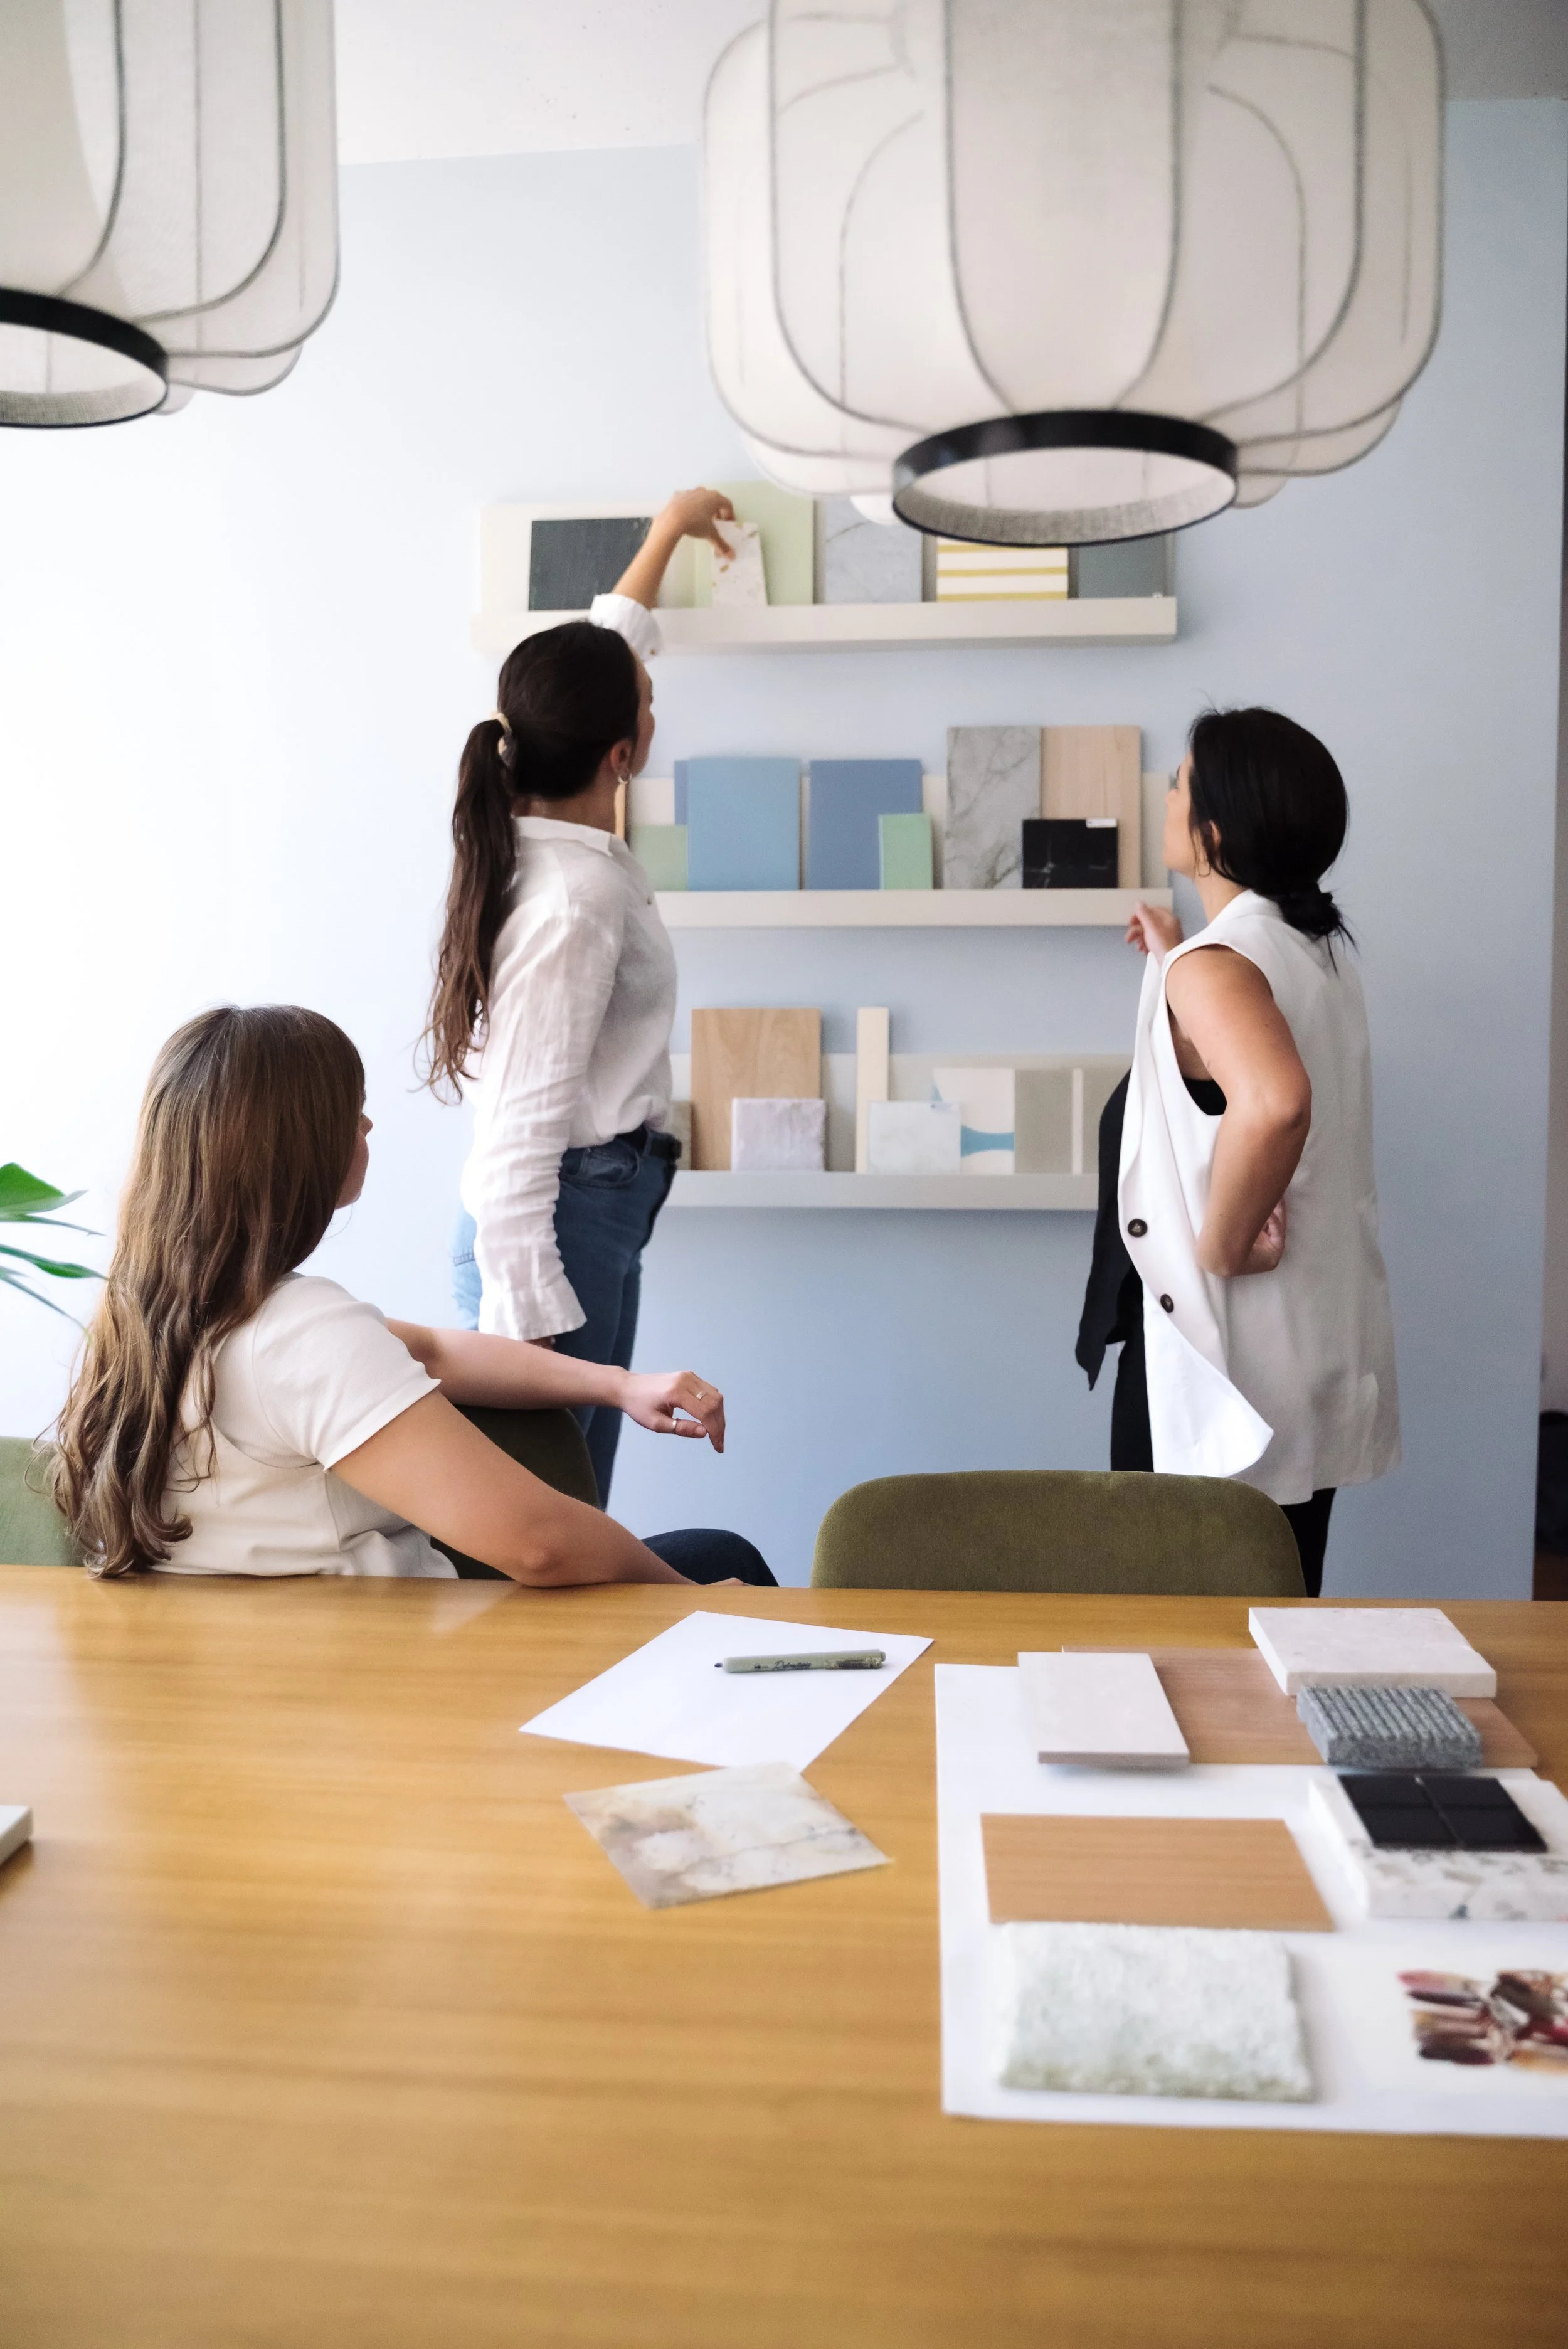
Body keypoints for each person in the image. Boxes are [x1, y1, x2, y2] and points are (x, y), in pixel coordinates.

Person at [51, 1005, 774, 1588]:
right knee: (721, 1560)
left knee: (707, 1553)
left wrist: (616, 1384)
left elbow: (425, 1348)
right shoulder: (302, 1331)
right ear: (293, 1149)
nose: (367, 1127)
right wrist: (687, 1606)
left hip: (250, 1683)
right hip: (384, 1682)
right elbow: (540, 1545)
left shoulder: (147, 1315)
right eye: (351, 1111)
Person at [430, 489, 736, 1506]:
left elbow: (610, 650)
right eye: (647, 707)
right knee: (558, 1524)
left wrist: (668, 531)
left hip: (590, 1211)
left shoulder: (533, 834)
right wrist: (532, 1338)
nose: (654, 710)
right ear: (621, 756)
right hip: (554, 1229)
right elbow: (516, 1139)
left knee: (569, 1517)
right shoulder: (576, 896)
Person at [1076, 708, 1399, 1596]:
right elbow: (1238, 1084)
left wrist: (1221, 1242)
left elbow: (1276, 1102)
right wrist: (1178, 956)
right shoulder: (1314, 952)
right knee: (1278, 1610)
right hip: (1303, 1357)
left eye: (1179, 781)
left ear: (1216, 826)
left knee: (1185, 1638)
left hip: (1216, 1362)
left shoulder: (1217, 969)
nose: (1165, 791)